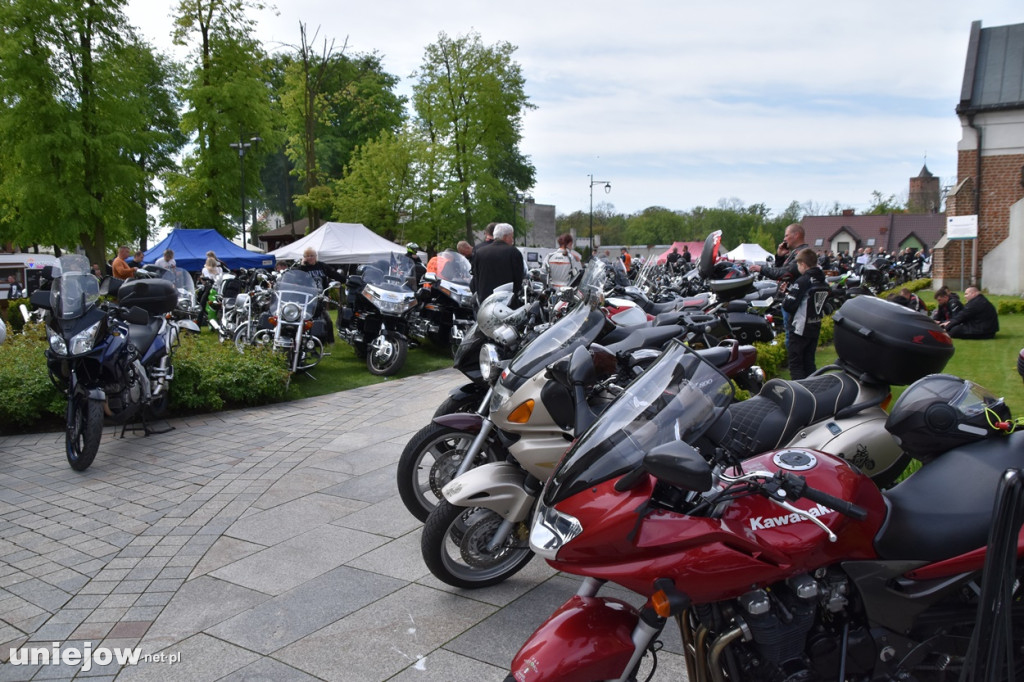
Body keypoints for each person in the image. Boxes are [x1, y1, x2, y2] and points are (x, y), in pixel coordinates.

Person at [750, 223, 809, 347]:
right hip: (790, 299)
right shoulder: (795, 253)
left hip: (795, 301)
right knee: (790, 334)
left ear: (796, 235)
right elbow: (780, 271)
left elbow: (784, 274)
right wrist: (780, 257)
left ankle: (793, 363)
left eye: (787, 235)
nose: (784, 239)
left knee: (792, 338)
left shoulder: (802, 254)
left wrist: (761, 269)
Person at [781, 249, 827, 380]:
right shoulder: (822, 279)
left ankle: (800, 395)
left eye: (798, 265)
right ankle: (814, 390)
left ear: (803, 264)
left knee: (796, 364)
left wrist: (788, 295)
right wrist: (790, 293)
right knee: (809, 363)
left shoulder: (803, 280)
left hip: (799, 329)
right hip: (814, 325)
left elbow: (788, 305)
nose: (797, 267)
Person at [295, 248, 346, 344]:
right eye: (307, 256)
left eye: (311, 256)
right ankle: (304, 340)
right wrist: (302, 265)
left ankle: (330, 342)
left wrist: (345, 280)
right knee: (305, 319)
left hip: (320, 297)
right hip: (306, 297)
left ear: (316, 257)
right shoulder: (302, 268)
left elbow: (333, 274)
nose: (309, 258)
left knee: (327, 320)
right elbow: (297, 277)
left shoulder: (322, 266)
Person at [471, 222, 525, 306]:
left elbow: (476, 278)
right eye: (512, 237)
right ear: (505, 237)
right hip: (506, 303)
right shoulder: (514, 252)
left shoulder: (480, 252)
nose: (512, 240)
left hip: (485, 302)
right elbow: (518, 279)